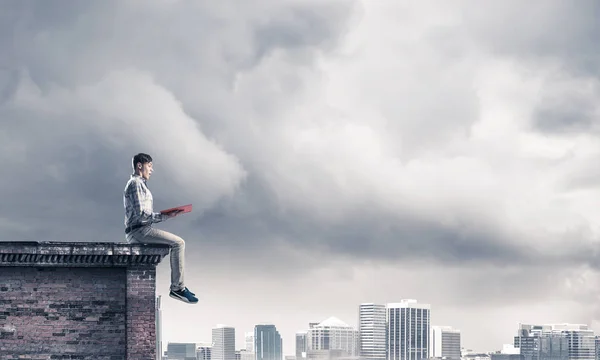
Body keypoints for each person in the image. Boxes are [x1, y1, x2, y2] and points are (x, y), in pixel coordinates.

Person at [123, 153, 198, 304]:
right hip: (140, 230)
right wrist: (164, 216)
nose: (152, 170)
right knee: (179, 243)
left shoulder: (140, 184)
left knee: (176, 243)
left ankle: (178, 287)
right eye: (149, 166)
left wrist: (168, 215)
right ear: (139, 165)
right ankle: (177, 288)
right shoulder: (135, 184)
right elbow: (142, 215)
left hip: (140, 229)